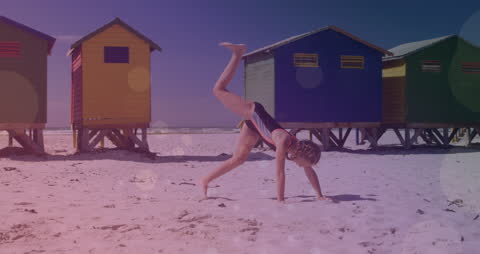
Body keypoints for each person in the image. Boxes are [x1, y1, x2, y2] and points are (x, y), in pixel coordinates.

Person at [200, 42, 330, 203]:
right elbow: (280, 173)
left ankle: (205, 180)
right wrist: (280, 200)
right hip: (252, 111)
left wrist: (319, 195)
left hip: (254, 127)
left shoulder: (296, 148)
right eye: (303, 164)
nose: (301, 167)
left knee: (239, 159)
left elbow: (309, 170)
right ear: (301, 154)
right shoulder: (283, 142)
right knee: (218, 89)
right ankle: (238, 54)